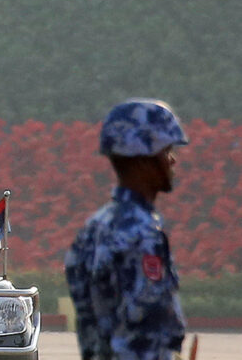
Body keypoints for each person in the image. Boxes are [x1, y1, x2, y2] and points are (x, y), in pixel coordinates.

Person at [65, 99, 188, 360]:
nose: (172, 160)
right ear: (143, 160)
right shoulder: (141, 232)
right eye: (166, 151)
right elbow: (142, 331)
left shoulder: (94, 228)